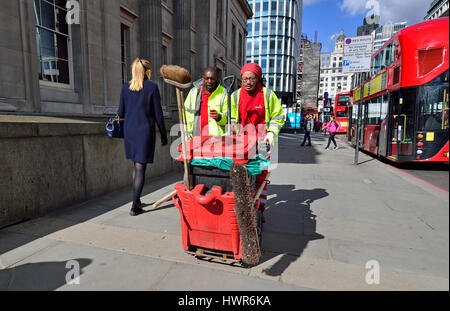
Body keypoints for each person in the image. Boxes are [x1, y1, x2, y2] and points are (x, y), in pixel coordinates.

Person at [231, 63, 285, 212]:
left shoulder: (268, 95)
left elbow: (278, 116)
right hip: (243, 141)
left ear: (258, 78)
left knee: (261, 173)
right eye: (245, 79)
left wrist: (271, 133)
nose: (248, 82)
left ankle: (260, 206)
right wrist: (233, 128)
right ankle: (243, 204)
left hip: (262, 141)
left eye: (252, 78)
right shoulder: (235, 96)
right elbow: (233, 119)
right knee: (241, 172)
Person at [118, 58, 168, 216]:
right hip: (144, 132)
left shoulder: (126, 87)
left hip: (130, 132)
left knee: (136, 166)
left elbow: (121, 112)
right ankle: (134, 206)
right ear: (147, 71)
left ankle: (137, 200)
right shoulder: (152, 87)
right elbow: (158, 114)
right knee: (140, 168)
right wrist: (164, 134)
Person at [183, 67, 229, 137]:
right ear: (203, 78)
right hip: (196, 137)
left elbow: (228, 119)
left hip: (215, 140)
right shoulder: (193, 92)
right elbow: (185, 114)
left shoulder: (224, 93)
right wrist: (186, 135)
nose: (209, 81)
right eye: (207, 78)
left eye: (212, 79)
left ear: (217, 79)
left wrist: (219, 117)